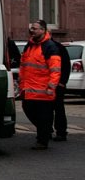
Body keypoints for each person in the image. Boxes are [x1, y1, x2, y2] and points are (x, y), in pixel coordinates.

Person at [19, 20, 62, 150]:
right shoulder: (29, 45)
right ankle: (45, 132)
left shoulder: (50, 47)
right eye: (31, 28)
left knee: (43, 116)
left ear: (43, 30)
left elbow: (55, 70)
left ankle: (42, 140)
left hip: (43, 91)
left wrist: (51, 87)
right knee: (29, 110)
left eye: (35, 28)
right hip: (29, 89)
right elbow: (24, 66)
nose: (32, 30)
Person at [51, 37, 71, 141]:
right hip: (45, 84)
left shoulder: (58, 47)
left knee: (58, 108)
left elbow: (66, 66)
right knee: (47, 109)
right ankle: (48, 130)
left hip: (58, 84)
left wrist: (62, 82)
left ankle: (61, 132)